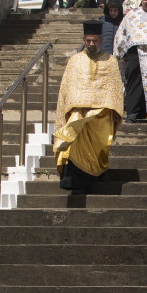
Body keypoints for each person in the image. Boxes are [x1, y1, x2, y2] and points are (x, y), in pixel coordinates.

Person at [54, 20, 125, 193]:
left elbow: (115, 87)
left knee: (101, 145)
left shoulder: (111, 61)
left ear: (101, 40)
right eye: (88, 40)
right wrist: (74, 106)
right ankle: (77, 184)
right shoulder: (75, 60)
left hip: (103, 112)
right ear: (84, 40)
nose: (91, 44)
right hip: (79, 112)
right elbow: (68, 87)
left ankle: (100, 170)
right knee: (76, 146)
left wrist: (116, 109)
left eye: (95, 40)